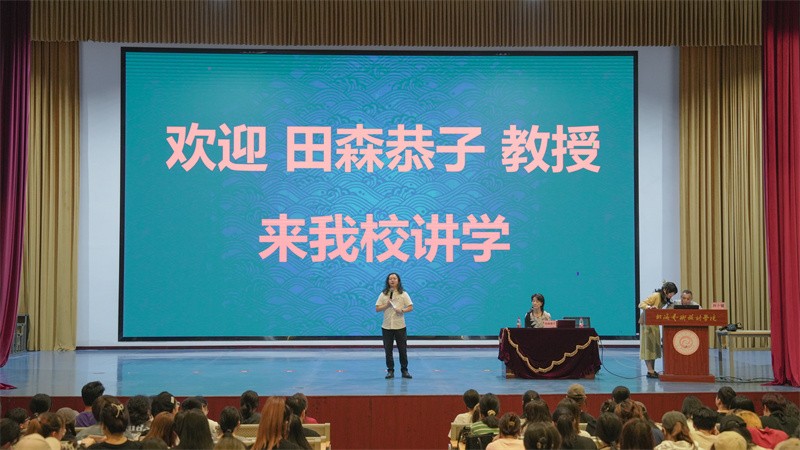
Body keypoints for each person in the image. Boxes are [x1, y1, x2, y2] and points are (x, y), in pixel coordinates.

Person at [375, 272, 413, 379]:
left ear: (398, 281)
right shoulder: (383, 294)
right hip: (386, 326)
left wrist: (402, 310)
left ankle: (404, 370)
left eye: (394, 278)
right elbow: (377, 308)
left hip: (400, 326)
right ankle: (390, 371)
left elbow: (410, 307)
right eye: (390, 278)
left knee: (402, 350)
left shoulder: (403, 294)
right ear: (388, 281)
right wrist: (386, 305)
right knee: (388, 350)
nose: (392, 280)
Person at [638, 281, 678, 378]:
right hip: (647, 323)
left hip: (654, 323)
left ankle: (652, 370)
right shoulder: (656, 295)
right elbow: (641, 304)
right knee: (648, 346)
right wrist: (649, 307)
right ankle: (650, 370)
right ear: (665, 290)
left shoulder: (665, 298)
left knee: (654, 347)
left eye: (673, 294)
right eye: (670, 293)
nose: (671, 295)